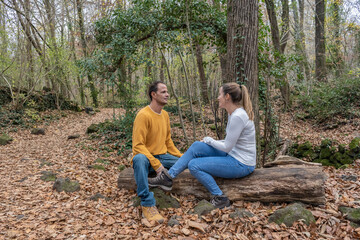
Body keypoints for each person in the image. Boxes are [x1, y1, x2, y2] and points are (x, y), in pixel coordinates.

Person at [148, 82, 256, 209]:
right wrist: (207, 142)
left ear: (227, 97)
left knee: (194, 165)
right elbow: (230, 143)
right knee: (197, 146)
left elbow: (227, 146)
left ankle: (220, 197)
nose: (218, 97)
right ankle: (167, 177)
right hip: (233, 154)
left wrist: (209, 140)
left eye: (220, 94)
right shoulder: (233, 113)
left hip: (242, 164)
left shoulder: (238, 116)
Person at [132, 81, 182, 223]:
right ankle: (147, 203)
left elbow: (168, 142)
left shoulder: (165, 115)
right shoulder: (143, 115)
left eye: (167, 92)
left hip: (163, 156)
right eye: (163, 92)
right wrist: (156, 165)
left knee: (187, 163)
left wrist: (182, 156)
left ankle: (158, 181)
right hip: (146, 158)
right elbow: (138, 145)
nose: (167, 94)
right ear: (153, 95)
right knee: (138, 159)